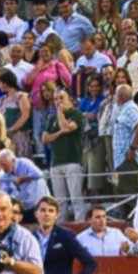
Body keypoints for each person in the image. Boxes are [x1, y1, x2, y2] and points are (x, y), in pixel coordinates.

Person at [41, 88, 87, 223]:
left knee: (75, 198)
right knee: (60, 201)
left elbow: (67, 128)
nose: (58, 102)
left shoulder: (76, 114)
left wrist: (60, 114)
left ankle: (80, 225)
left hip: (73, 161)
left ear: (69, 99)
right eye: (55, 99)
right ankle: (60, 225)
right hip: (55, 162)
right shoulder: (52, 118)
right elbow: (45, 138)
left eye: (61, 98)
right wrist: (60, 133)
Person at [111, 84, 138, 200]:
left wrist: (132, 148)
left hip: (129, 161)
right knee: (123, 194)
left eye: (116, 95)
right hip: (122, 160)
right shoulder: (125, 109)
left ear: (120, 96)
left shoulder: (130, 108)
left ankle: (131, 219)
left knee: (130, 197)